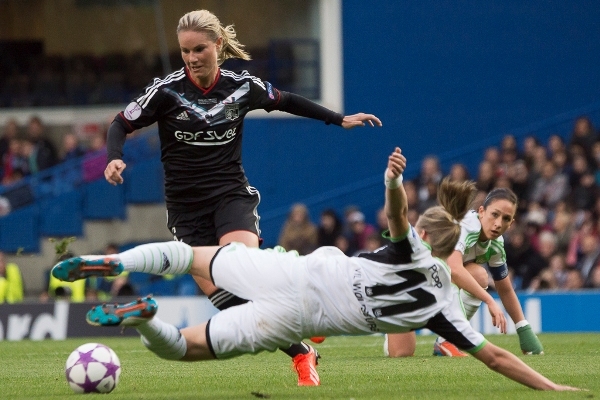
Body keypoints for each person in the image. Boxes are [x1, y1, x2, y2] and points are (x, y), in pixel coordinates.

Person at [52, 147, 578, 391]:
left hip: (288, 275)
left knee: (190, 256)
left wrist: (393, 181)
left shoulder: (408, 249)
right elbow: (495, 361)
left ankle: (116, 263)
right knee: (183, 348)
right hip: (291, 324)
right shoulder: (441, 309)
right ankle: (145, 319)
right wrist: (552, 388)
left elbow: (396, 213)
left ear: (424, 237)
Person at [101, 9, 381, 385]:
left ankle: (303, 298)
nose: (191, 58)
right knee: (229, 300)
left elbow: (286, 100)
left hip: (230, 195)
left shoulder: (242, 85)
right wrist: (114, 157)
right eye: (184, 51)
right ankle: (302, 350)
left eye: (199, 49)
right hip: (186, 210)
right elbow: (121, 122)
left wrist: (338, 118)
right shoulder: (166, 91)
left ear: (217, 45)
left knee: (246, 271)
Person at [385, 185, 544, 358]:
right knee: (402, 353)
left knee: (479, 276)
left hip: (430, 280)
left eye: (506, 219)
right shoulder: (467, 226)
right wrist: (490, 301)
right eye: (494, 214)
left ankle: (447, 340)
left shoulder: (496, 245)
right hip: (404, 278)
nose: (498, 224)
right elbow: (454, 269)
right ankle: (392, 321)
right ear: (481, 211)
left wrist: (523, 329)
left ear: (511, 223)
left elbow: (505, 288)